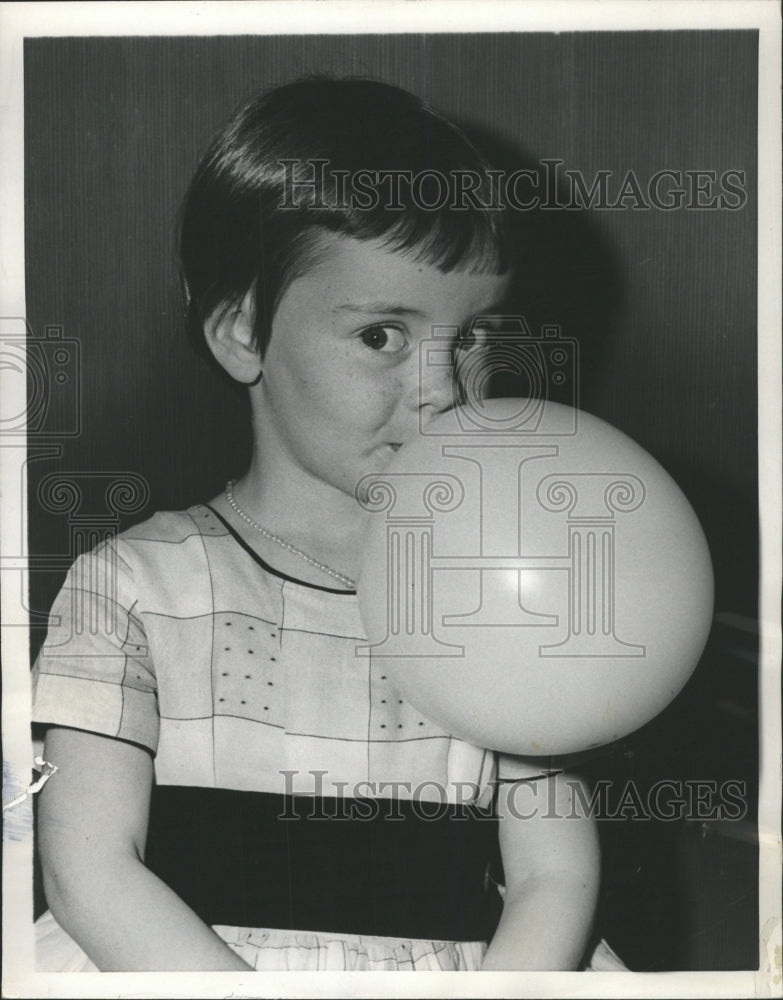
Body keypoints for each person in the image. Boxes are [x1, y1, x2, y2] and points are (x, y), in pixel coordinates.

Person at [31, 77, 622, 973]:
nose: (440, 386)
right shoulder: (134, 585)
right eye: (381, 334)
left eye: (471, 336)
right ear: (242, 333)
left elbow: (555, 878)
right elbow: (90, 873)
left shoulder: (506, 590)